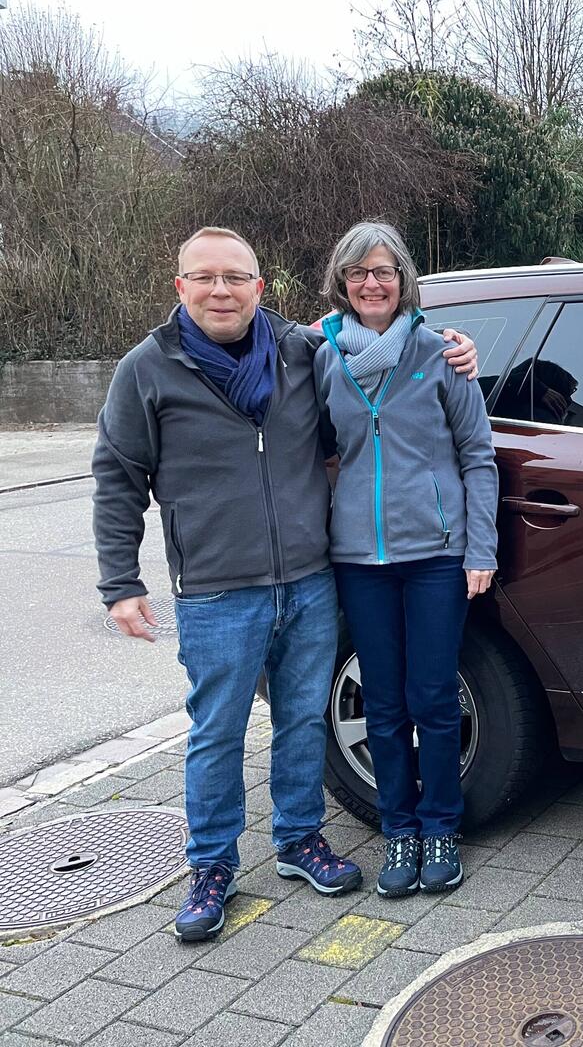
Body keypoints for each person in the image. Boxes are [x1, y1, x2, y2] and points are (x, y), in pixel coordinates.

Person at [93, 226, 478, 942]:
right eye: (205, 277)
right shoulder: (148, 368)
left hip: (308, 577)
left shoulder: (297, 350)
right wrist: (120, 581)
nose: (221, 290)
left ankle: (300, 839)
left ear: (258, 287)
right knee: (218, 732)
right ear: (180, 286)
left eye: (235, 277)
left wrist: (455, 344)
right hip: (216, 587)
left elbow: (372, 341)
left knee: (303, 720)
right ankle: (212, 867)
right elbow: (117, 475)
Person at [312, 221, 498, 898]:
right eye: (358, 272)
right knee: (384, 702)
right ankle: (399, 829)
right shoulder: (323, 357)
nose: (372, 283)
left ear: (403, 280)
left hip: (435, 557)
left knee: (433, 697)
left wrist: (480, 549)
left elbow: (478, 457)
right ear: (343, 281)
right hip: (359, 560)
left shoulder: (441, 354)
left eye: (384, 271)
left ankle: (441, 825)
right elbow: (315, 447)